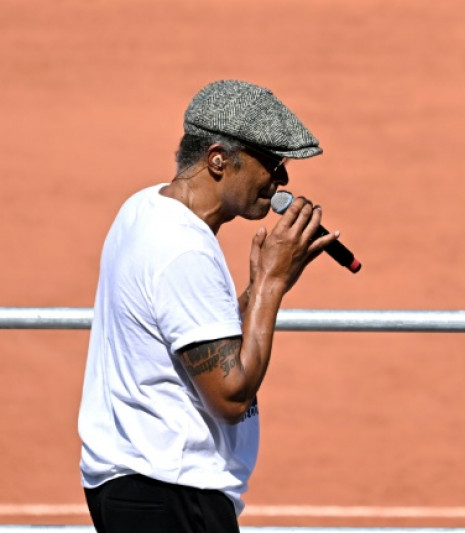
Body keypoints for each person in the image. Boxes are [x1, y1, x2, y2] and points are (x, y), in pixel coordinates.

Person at [78, 79, 339, 533]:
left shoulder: (144, 207)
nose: (283, 182)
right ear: (218, 160)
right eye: (273, 164)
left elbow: (194, 331)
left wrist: (257, 286)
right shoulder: (184, 250)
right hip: (170, 495)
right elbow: (231, 396)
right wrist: (271, 285)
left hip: (142, 487)